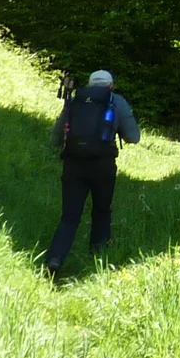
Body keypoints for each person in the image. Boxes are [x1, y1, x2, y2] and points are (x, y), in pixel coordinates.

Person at [45, 69, 141, 276]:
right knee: (101, 212)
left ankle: (55, 259)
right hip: (103, 165)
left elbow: (55, 137)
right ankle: (96, 263)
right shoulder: (117, 102)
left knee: (69, 217)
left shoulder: (76, 100)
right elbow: (134, 137)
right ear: (111, 86)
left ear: (89, 84)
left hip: (73, 164)